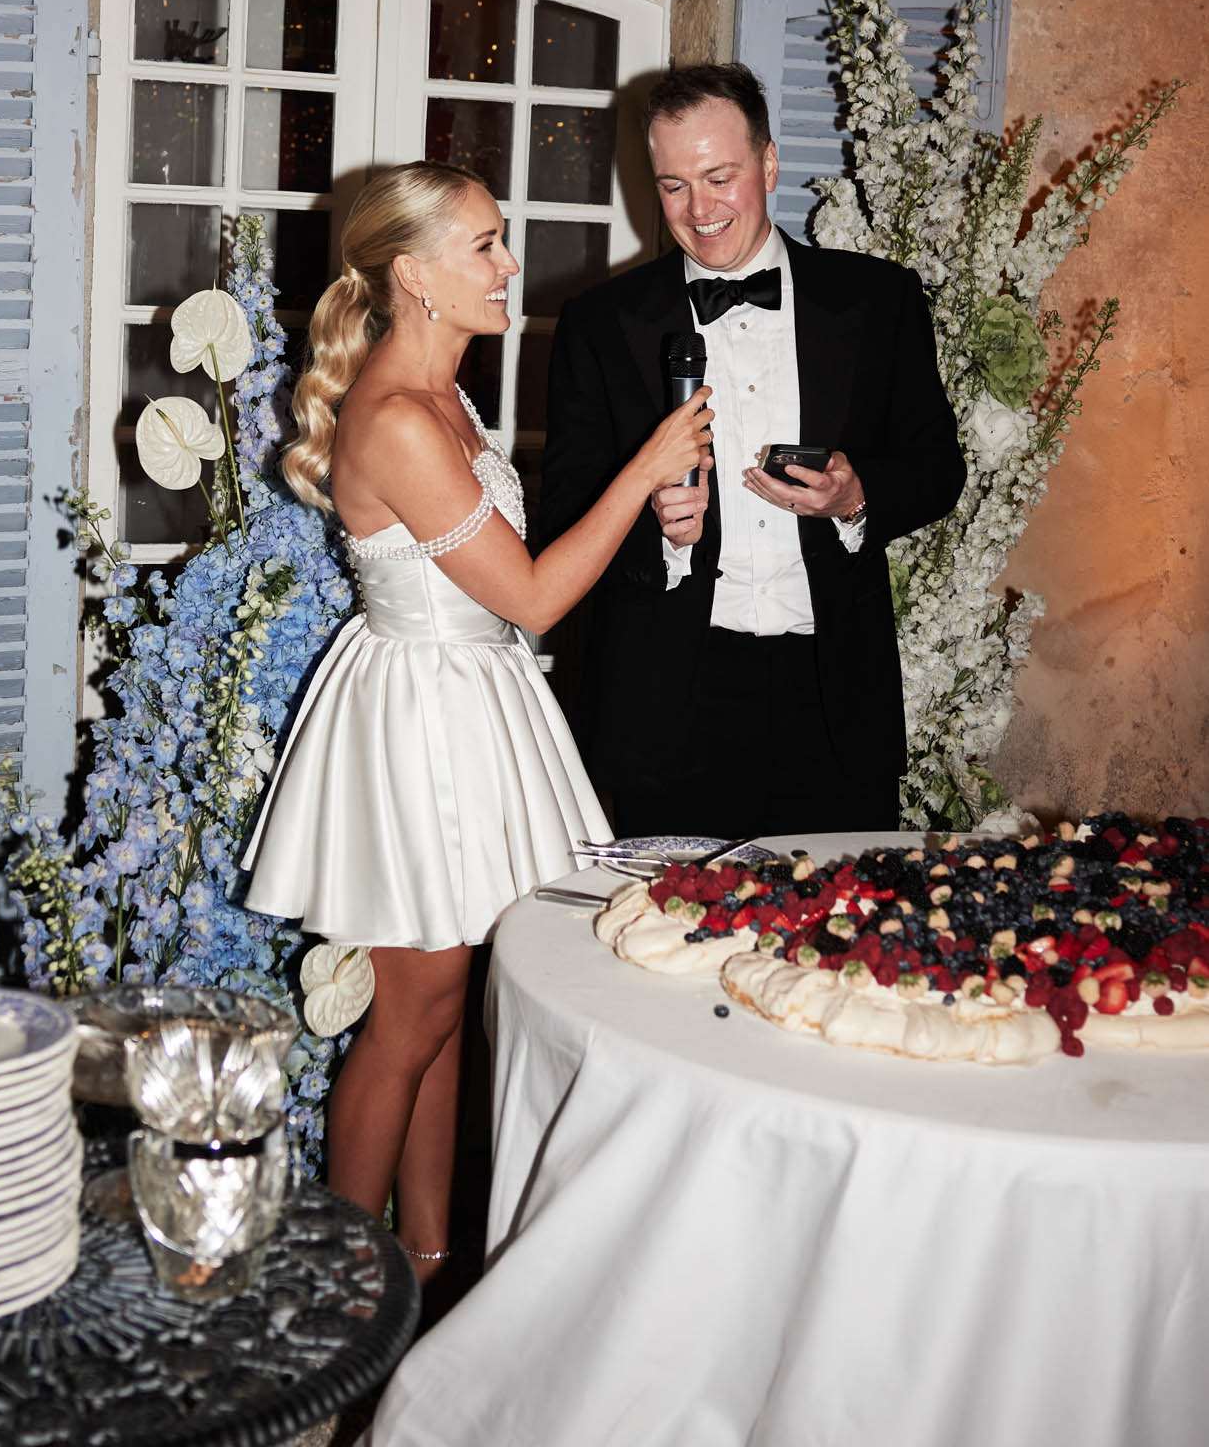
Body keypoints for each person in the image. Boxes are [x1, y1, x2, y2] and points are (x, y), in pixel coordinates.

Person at [241, 161, 710, 1275]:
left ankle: (430, 1253)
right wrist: (647, 466)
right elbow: (538, 594)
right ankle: (342, 1302)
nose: (511, 267)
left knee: (447, 1004)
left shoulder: (445, 393)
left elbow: (505, 594)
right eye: (487, 246)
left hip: (474, 695)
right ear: (413, 274)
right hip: (421, 715)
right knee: (411, 1016)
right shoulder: (401, 416)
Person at [539, 63, 966, 842]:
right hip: (666, 705)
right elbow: (563, 510)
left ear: (768, 165)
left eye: (719, 177)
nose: (699, 210)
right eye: (672, 185)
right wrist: (657, 530)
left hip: (833, 697)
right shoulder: (601, 323)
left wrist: (853, 495)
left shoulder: (878, 300)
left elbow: (937, 468)